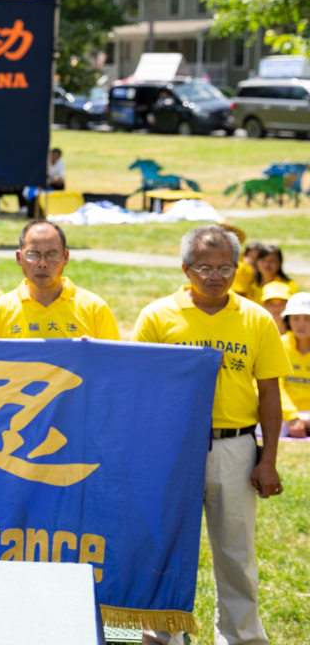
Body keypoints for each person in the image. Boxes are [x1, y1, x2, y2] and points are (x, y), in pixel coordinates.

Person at [134, 225, 289, 645]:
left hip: (234, 447)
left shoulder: (256, 318)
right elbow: (140, 390)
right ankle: (162, 635)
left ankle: (241, 637)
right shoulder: (157, 316)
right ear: (185, 268)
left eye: (225, 267)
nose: (215, 276)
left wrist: (268, 459)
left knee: (236, 552)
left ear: (238, 268)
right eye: (204, 267)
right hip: (172, 449)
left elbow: (270, 394)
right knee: (165, 549)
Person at [0, 221, 119, 339]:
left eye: (52, 255)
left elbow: (116, 360)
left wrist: (96, 353)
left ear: (66, 257)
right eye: (33, 255)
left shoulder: (94, 309)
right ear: (19, 258)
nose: (43, 263)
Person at [282, 293, 310, 431]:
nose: (301, 324)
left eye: (307, 318)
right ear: (288, 320)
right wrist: (292, 417)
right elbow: (274, 387)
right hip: (284, 414)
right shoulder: (279, 345)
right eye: (296, 318)